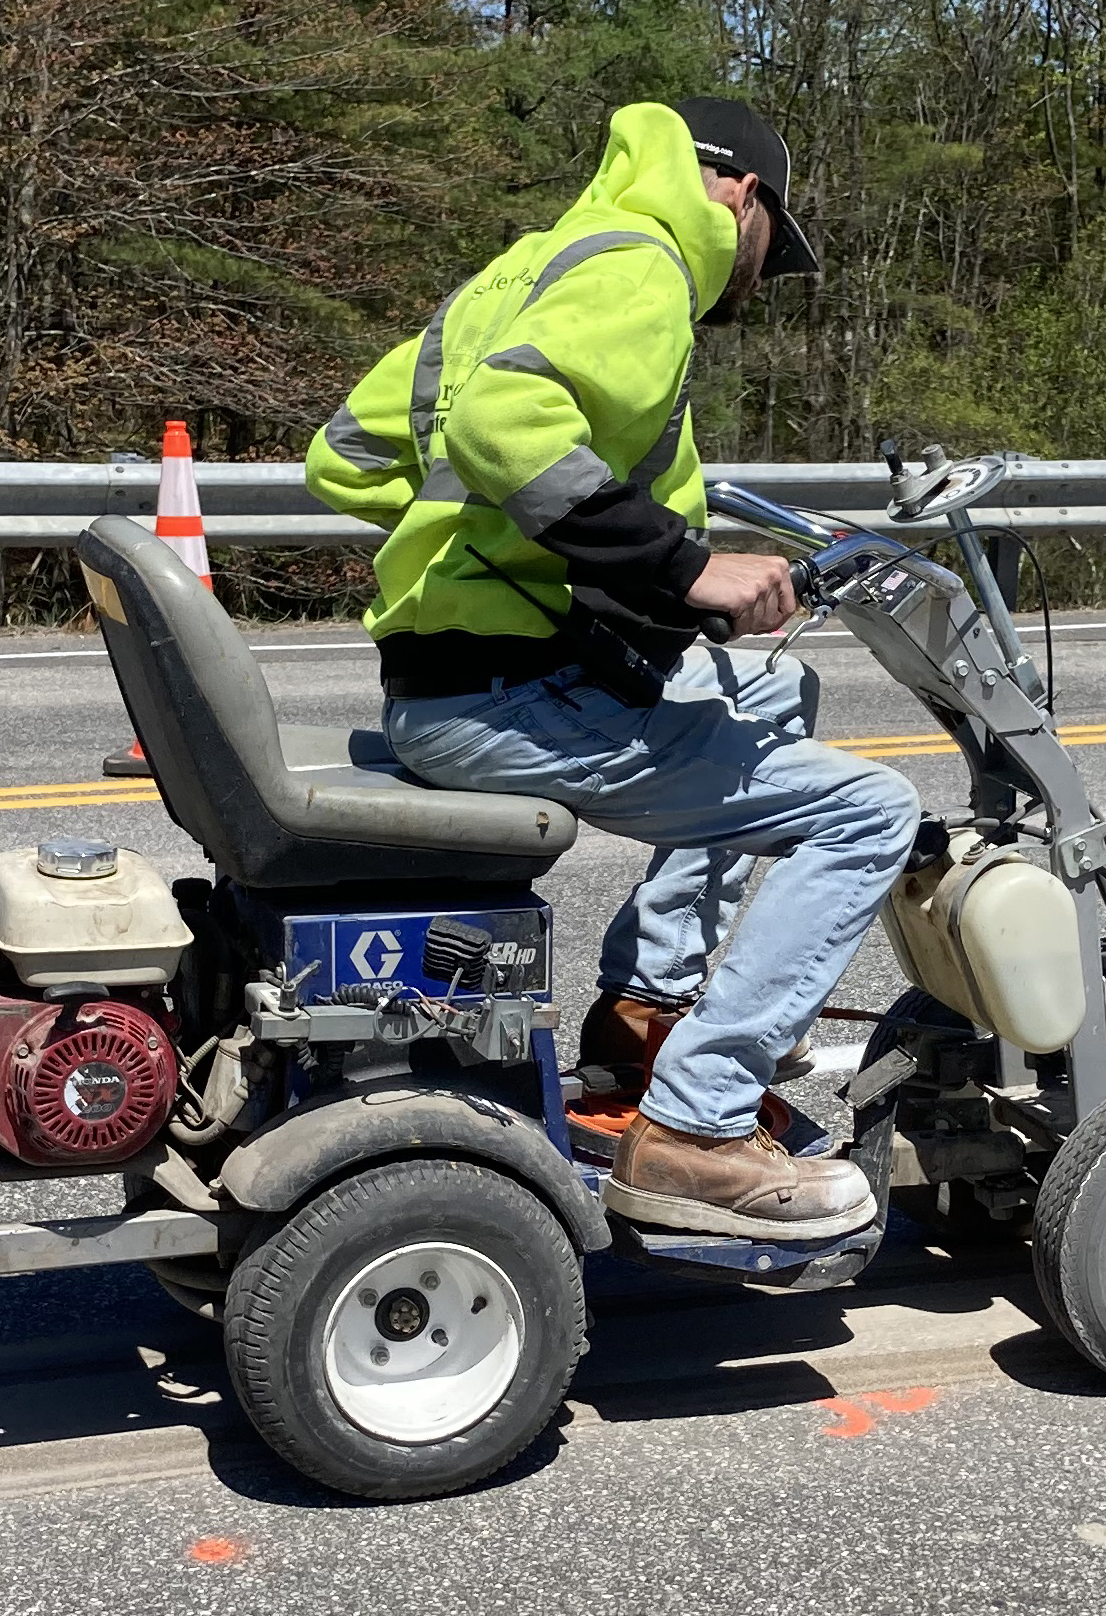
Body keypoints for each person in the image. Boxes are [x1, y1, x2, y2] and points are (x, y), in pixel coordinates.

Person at [303, 98, 918, 1240]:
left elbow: (344, 454)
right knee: (872, 810)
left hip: (448, 679)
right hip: (510, 696)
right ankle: (697, 1124)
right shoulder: (645, 267)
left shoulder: (525, 267)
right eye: (773, 248)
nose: (760, 276)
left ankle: (647, 1011)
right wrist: (679, 564)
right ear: (741, 196)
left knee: (763, 695)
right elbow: (505, 420)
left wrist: (536, 557)